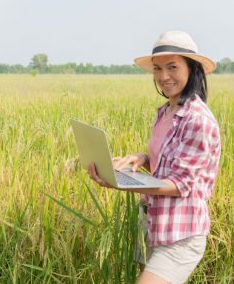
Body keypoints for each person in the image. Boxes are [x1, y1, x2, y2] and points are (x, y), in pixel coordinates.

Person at [87, 30, 221, 284]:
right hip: (152, 224)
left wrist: (124, 182)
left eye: (172, 67)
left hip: (180, 234)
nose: (163, 77)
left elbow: (180, 184)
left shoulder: (198, 120)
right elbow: (169, 159)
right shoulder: (165, 111)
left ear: (193, 70)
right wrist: (141, 158)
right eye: (157, 69)